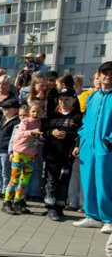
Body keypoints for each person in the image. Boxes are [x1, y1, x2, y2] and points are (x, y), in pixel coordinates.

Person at [73, 61, 112, 233]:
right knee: (88, 180)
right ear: (99, 74)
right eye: (105, 72)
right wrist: (81, 139)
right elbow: (85, 120)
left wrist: (109, 140)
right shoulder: (92, 96)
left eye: (111, 73)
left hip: (106, 146)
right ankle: (92, 216)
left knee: (105, 182)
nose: (108, 75)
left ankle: (108, 219)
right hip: (88, 145)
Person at [43, 89, 82, 221]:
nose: (63, 102)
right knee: (51, 180)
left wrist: (68, 135)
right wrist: (52, 132)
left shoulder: (78, 116)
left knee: (64, 181)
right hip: (52, 154)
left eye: (67, 99)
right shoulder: (52, 115)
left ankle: (60, 206)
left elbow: (80, 135)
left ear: (74, 100)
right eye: (61, 99)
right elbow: (43, 132)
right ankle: (50, 207)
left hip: (67, 154)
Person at [2, 102, 45, 215]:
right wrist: (31, 132)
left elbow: (38, 140)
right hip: (19, 154)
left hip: (30, 155)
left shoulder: (40, 123)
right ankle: (7, 202)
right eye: (33, 111)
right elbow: (20, 133)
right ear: (29, 112)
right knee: (14, 179)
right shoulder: (25, 121)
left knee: (24, 180)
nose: (35, 114)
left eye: (38, 111)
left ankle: (18, 201)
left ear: (43, 112)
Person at [0, 97, 20, 197]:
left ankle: (6, 191)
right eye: (4, 109)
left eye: (8, 108)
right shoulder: (3, 119)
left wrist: (11, 152)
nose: (5, 111)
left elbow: (13, 138)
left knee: (5, 172)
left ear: (16, 110)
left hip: (6, 151)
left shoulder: (16, 122)